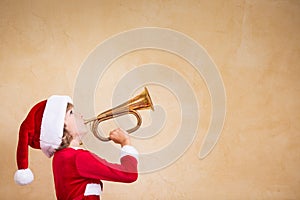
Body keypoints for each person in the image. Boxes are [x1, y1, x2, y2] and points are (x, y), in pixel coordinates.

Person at [14, 95, 138, 200]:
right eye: (72, 113)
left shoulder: (61, 157)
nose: (81, 115)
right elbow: (129, 174)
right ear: (61, 125)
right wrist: (125, 142)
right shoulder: (77, 157)